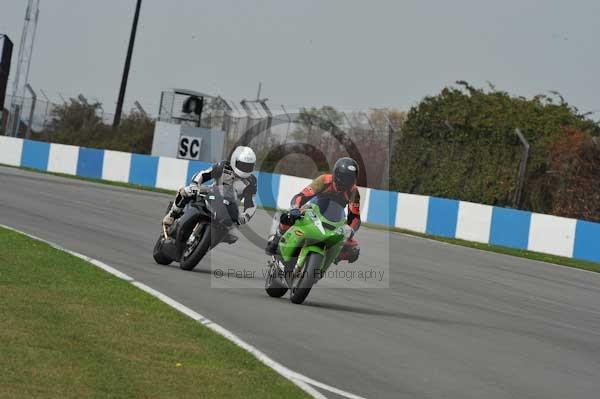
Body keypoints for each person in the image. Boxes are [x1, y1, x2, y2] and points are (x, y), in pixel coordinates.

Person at [265, 157, 361, 263]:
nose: (346, 181)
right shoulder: (324, 180)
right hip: (314, 210)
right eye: (344, 177)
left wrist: (350, 230)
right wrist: (295, 209)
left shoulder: (353, 191)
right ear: (337, 174)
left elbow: (355, 216)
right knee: (285, 217)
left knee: (353, 249)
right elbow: (301, 195)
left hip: (335, 219)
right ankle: (277, 239)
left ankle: (333, 256)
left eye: (350, 178)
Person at [163, 146, 257, 244]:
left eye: (248, 166)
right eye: (242, 165)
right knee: (187, 191)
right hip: (211, 194)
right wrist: (195, 184)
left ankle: (205, 243)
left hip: (229, 208)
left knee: (234, 235)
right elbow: (204, 174)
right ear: (235, 161)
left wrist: (244, 217)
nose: (245, 168)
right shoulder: (224, 165)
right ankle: (172, 215)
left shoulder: (251, 181)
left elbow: (251, 203)